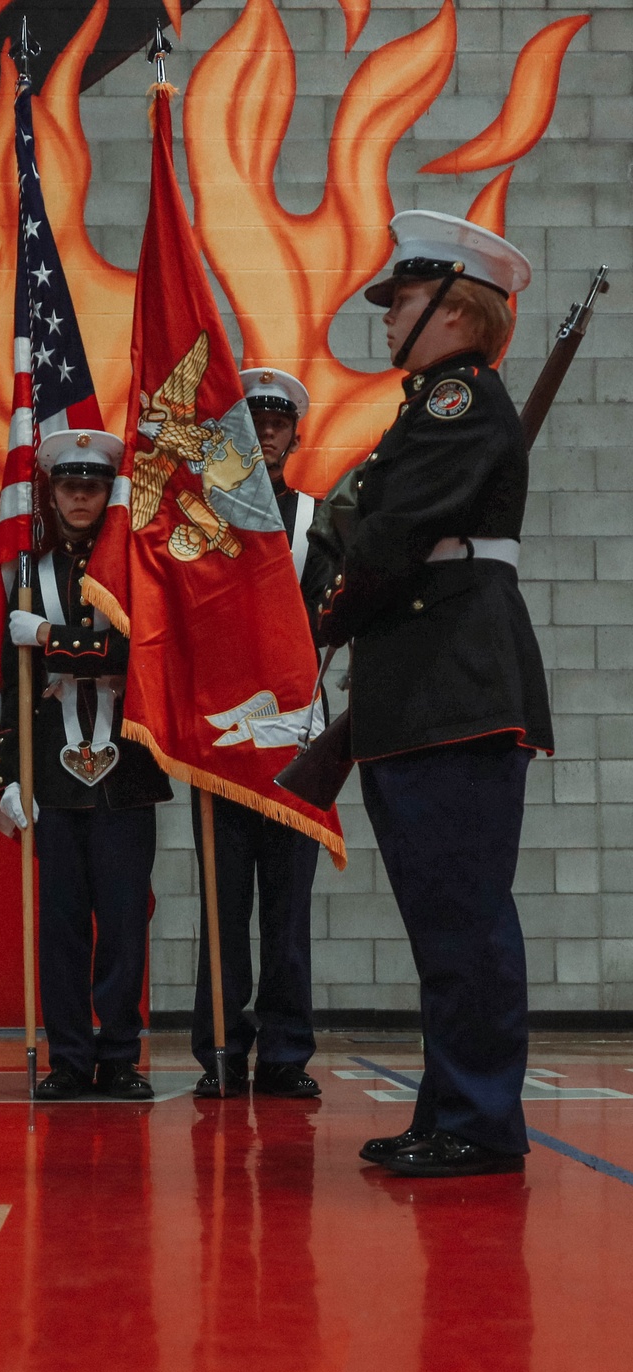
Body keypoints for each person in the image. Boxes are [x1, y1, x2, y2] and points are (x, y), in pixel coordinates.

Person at [314, 210, 553, 1177]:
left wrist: (332, 598)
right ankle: (451, 1106)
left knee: (464, 913)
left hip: (454, 677)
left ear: (455, 312)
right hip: (418, 681)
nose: (387, 315)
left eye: (402, 299)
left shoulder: (460, 402)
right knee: (439, 917)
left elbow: (387, 532)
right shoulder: (427, 410)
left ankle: (482, 1121)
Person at [0, 431, 172, 1100]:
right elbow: (16, 687)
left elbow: (141, 657)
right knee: (61, 929)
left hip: (126, 775)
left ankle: (120, 1055)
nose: (78, 495)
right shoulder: (29, 573)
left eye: (92, 485)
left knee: (125, 926)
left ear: (108, 495)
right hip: (53, 777)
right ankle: (69, 1057)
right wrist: (9, 774)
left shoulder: (139, 568)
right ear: (51, 490)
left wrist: (48, 640)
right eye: (67, 484)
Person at [190, 369, 333, 1101]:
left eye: (279, 422)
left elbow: (341, 618)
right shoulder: (203, 518)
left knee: (287, 909)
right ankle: (220, 1048)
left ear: (294, 434)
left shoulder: (318, 520)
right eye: (256, 420)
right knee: (222, 906)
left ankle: (284, 1053)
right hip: (220, 741)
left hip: (295, 745)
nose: (269, 430)